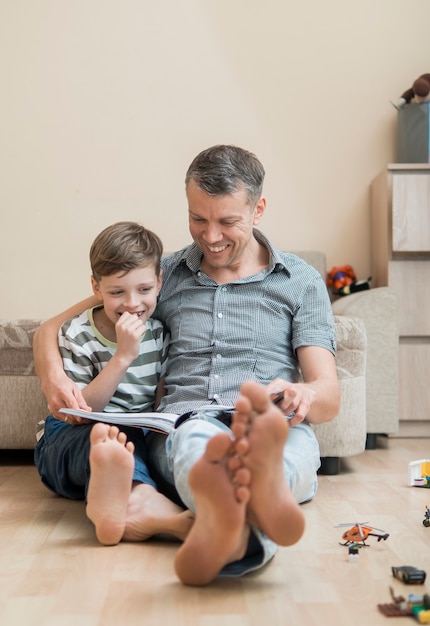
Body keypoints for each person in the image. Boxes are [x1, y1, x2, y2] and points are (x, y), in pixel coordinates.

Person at [33, 145, 340, 585]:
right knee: (200, 443)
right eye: (198, 219)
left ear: (259, 210)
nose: (210, 236)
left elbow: (328, 396)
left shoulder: (301, 282)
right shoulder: (167, 273)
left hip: (270, 421)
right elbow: (54, 325)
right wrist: (55, 375)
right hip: (188, 420)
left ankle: (239, 511)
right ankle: (245, 508)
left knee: (289, 454)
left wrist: (305, 394)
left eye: (227, 221)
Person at [34, 221, 194, 546]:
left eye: (144, 290)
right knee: (104, 439)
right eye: (117, 292)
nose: (132, 303)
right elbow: (81, 412)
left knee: (134, 444)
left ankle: (122, 503)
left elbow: (158, 400)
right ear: (96, 287)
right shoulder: (77, 334)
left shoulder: (160, 334)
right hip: (70, 436)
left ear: (159, 282)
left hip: (135, 436)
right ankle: (142, 502)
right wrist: (122, 357)